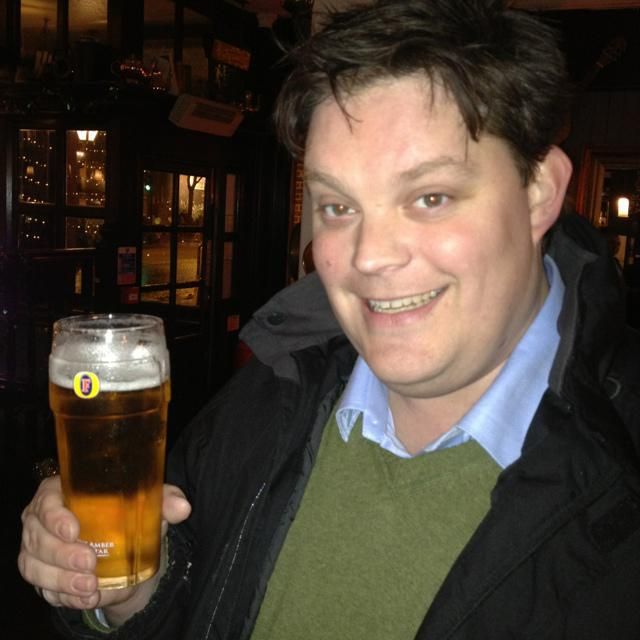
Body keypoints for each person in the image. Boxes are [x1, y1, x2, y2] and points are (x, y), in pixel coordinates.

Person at [18, 1, 640, 638]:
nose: (368, 256)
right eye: (339, 206)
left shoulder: (620, 466)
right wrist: (123, 593)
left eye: (430, 197)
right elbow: (186, 585)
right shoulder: (268, 393)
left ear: (539, 192)